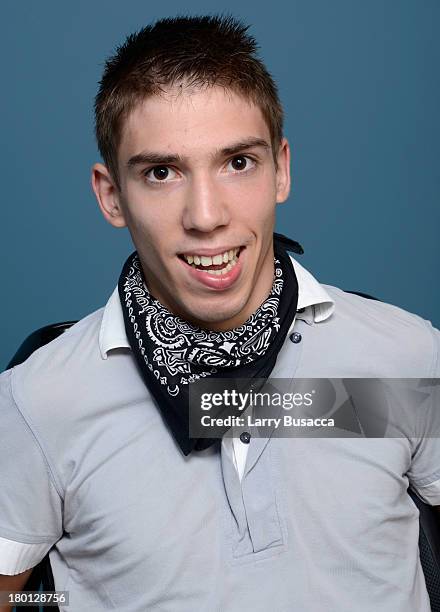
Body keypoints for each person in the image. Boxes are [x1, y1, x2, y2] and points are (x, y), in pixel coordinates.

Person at [0, 15, 439, 612]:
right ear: (111, 196)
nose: (205, 215)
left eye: (238, 163)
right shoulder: (38, 402)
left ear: (280, 169)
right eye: (161, 172)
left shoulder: (404, 359)